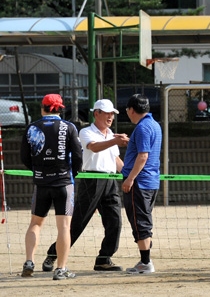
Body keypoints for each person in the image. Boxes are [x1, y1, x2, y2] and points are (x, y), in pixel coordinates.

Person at [42, 99, 129, 272]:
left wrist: (130, 175)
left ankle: (104, 259)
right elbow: (94, 147)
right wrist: (114, 141)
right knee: (77, 224)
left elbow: (116, 160)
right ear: (96, 113)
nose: (110, 116)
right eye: (107, 113)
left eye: (112, 113)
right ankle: (52, 256)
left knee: (115, 221)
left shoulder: (111, 135)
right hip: (92, 180)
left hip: (110, 181)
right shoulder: (85, 132)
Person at [20, 94, 83, 280]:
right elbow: (78, 155)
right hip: (63, 182)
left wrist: (37, 170)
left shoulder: (32, 127)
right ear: (60, 109)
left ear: (43, 108)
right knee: (64, 226)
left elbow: (24, 156)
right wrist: (73, 173)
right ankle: (61, 269)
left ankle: (29, 261)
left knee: (35, 223)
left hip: (41, 183)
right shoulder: (69, 127)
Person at [121, 94, 162, 274]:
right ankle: (144, 260)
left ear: (131, 110)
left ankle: (146, 262)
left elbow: (143, 156)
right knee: (144, 220)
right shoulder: (154, 125)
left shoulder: (142, 127)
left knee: (140, 223)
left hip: (140, 182)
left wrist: (130, 178)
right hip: (151, 181)